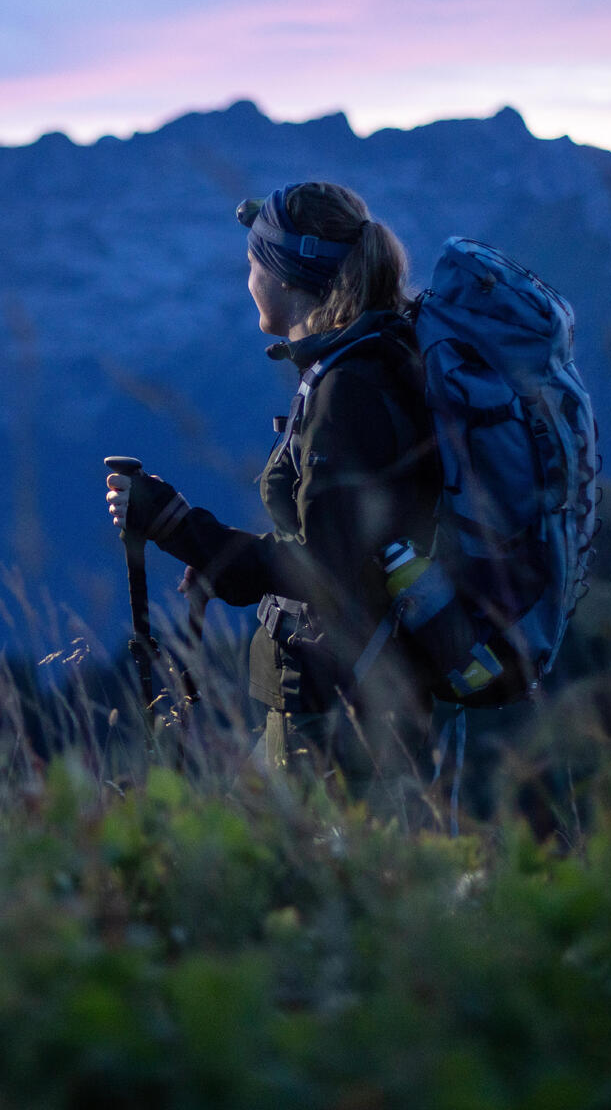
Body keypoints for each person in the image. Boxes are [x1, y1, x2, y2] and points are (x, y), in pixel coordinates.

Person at [105, 181, 447, 791]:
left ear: (287, 275)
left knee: (314, 869)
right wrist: (215, 555)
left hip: (344, 708)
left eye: (252, 264)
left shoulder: (350, 389)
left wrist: (186, 532)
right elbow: (344, 533)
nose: (247, 282)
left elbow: (326, 568)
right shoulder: (365, 362)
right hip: (352, 689)